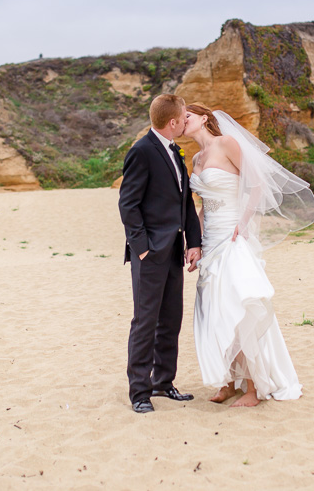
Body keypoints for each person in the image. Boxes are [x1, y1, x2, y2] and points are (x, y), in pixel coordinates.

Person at [183, 104, 314, 407]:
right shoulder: (196, 158)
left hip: (233, 237)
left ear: (204, 118)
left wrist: (243, 223)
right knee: (214, 310)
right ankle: (229, 383)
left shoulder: (227, 144)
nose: (184, 121)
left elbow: (256, 183)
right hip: (211, 240)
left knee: (238, 306)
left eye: (188, 116)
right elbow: (204, 205)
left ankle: (255, 388)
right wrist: (195, 242)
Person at [118, 94, 203, 413]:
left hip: (173, 252)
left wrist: (194, 242)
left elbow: (184, 204)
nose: (185, 122)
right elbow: (128, 204)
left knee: (170, 319)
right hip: (150, 254)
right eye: (183, 117)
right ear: (172, 122)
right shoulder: (141, 151)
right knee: (145, 321)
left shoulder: (175, 151)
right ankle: (139, 392)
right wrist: (141, 250)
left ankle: (163, 382)